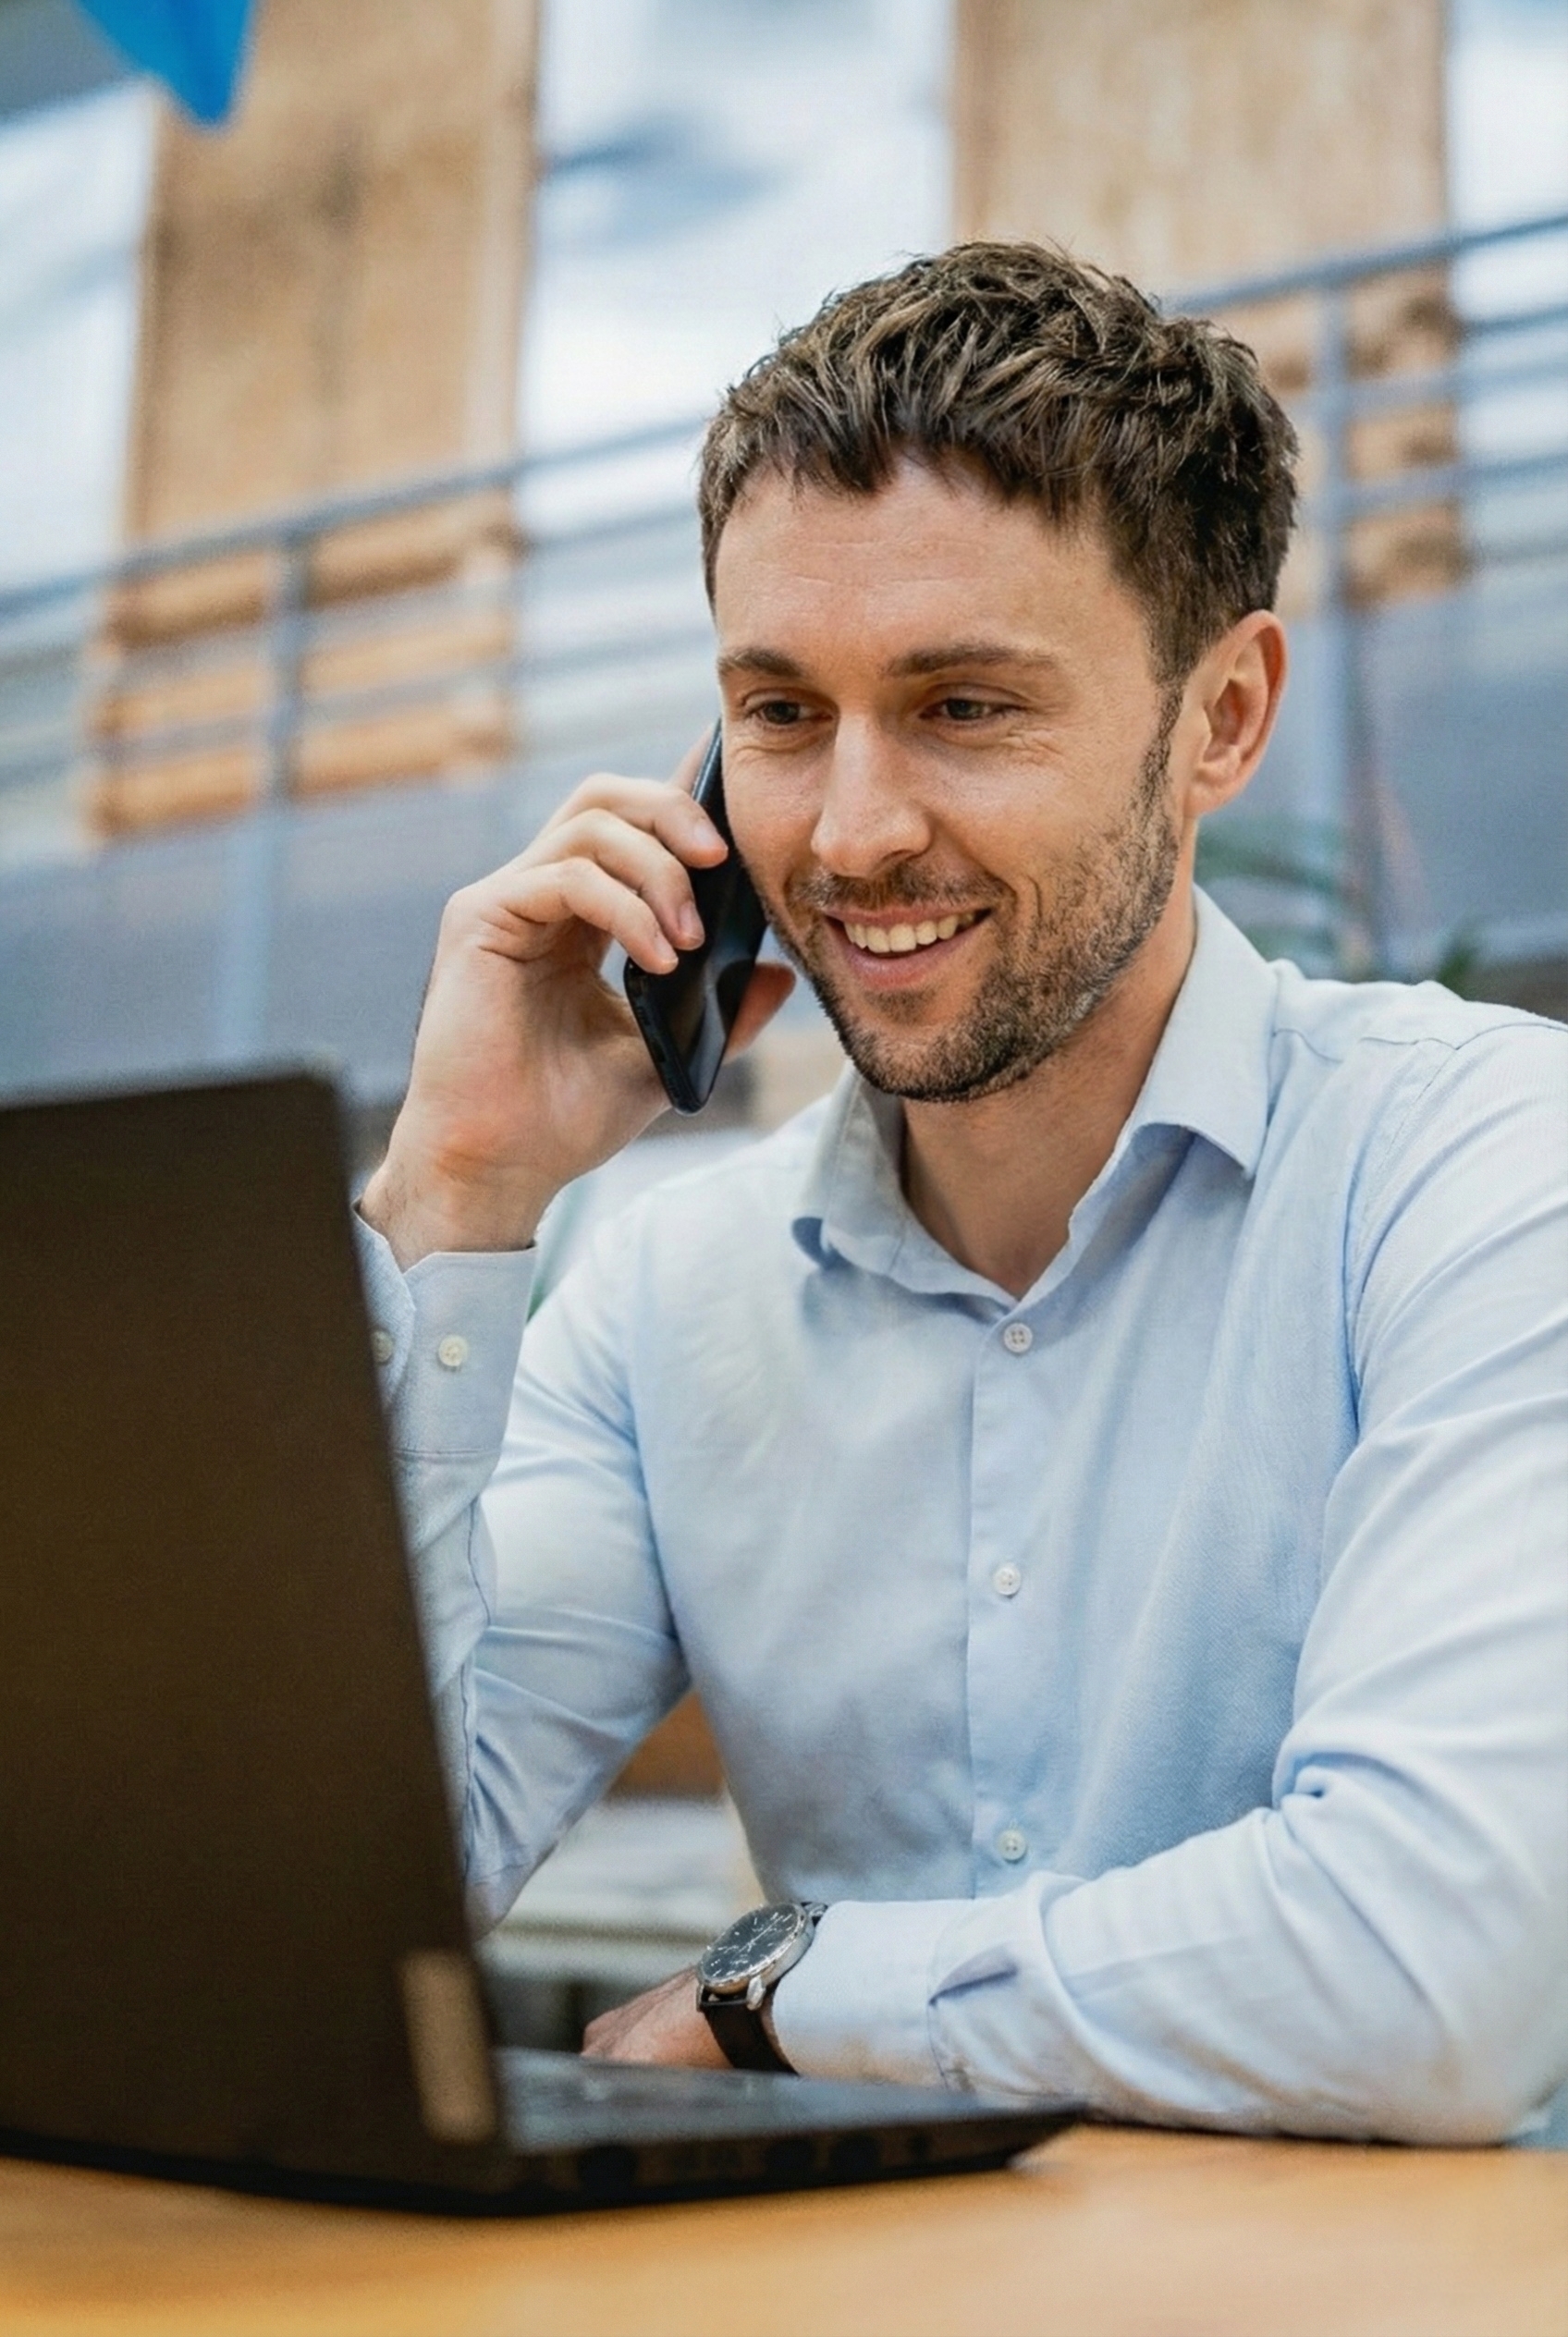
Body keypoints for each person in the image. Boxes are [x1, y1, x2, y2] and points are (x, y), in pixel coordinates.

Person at [357, 243, 1567, 2141]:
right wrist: (451, 1190)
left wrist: (786, 1986)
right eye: (775, 711)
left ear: (1218, 719)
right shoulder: (660, 1285)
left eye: (964, 705)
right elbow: (345, 1917)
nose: (846, 830)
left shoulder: (1482, 1164)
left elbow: (1427, 1973)